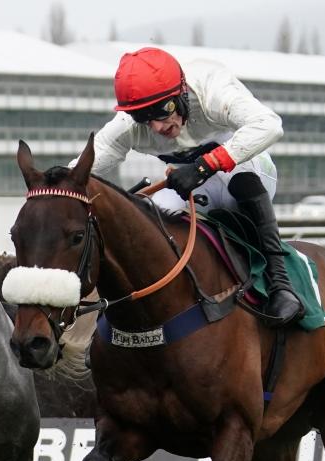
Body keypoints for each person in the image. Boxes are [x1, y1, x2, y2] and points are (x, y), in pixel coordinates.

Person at [85, 47, 302, 326]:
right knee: (151, 219)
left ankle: (281, 285)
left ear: (182, 91)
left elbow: (270, 125)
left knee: (242, 181)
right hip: (192, 187)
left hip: (248, 170)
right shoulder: (127, 125)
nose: (157, 126)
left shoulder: (212, 88)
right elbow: (80, 169)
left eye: (163, 110)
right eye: (144, 118)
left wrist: (204, 166)